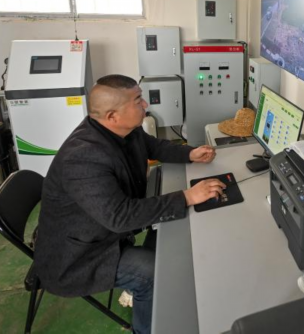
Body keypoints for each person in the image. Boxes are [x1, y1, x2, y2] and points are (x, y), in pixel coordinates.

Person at [33, 74, 225, 334]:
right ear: (112, 116)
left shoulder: (123, 130)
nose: (145, 104)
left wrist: (189, 153)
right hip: (78, 256)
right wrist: (187, 197)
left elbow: (153, 146)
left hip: (102, 233)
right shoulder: (82, 158)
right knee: (152, 274)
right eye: (138, 101)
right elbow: (120, 217)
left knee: (169, 234)